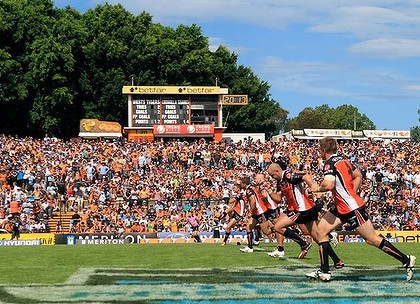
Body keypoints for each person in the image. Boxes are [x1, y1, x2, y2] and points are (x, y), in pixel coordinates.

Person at [306, 136, 415, 282]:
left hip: (351, 208)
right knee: (321, 232)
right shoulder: (344, 160)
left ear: (323, 149)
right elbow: (358, 175)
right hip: (342, 206)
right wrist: (352, 192)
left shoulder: (329, 163)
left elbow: (328, 185)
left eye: (320, 149)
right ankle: (324, 271)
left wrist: (316, 188)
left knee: (372, 239)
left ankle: (406, 259)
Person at [266, 161, 343, 265]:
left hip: (302, 210)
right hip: (304, 210)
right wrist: (269, 191)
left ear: (277, 171)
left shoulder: (288, 175)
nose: (272, 177)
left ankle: (303, 243)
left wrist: (312, 185)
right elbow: (279, 199)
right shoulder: (280, 182)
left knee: (278, 227)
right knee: (318, 238)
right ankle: (337, 260)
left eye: (272, 175)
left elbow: (305, 176)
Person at [221, 181, 247, 246]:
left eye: (234, 187)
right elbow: (232, 205)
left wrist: (230, 194)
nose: (233, 189)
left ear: (238, 188)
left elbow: (230, 201)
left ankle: (224, 241)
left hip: (239, 214)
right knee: (228, 227)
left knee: (228, 227)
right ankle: (224, 241)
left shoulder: (240, 195)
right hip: (236, 212)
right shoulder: (239, 195)